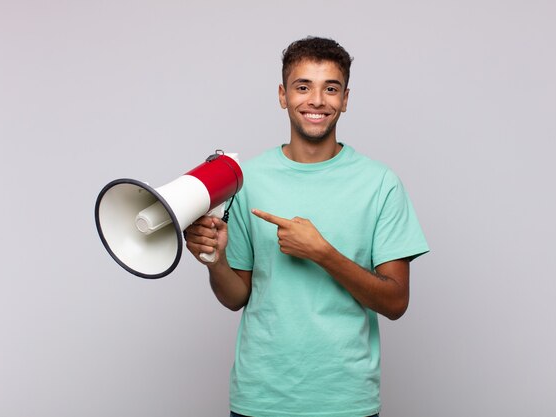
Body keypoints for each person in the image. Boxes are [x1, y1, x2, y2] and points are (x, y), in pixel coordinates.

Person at [184, 36, 429, 417]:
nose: (317, 100)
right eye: (303, 87)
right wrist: (215, 261)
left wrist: (323, 253)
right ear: (283, 96)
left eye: (330, 89)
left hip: (345, 401)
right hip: (260, 398)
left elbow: (396, 302)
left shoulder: (381, 183)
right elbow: (236, 298)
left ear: (345, 99)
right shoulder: (246, 179)